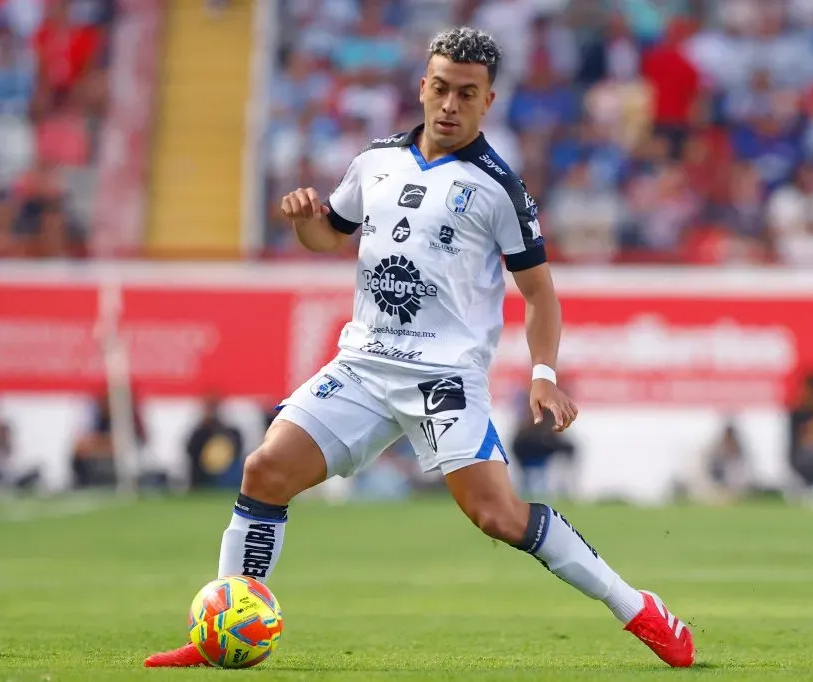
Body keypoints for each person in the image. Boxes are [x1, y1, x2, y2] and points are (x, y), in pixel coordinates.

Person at [144, 28, 693, 669]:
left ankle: (640, 609)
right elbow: (329, 236)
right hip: (363, 365)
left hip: (443, 376)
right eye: (440, 88)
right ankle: (220, 637)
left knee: (499, 517)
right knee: (264, 472)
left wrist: (543, 372)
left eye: (467, 93)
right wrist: (303, 221)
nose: (450, 105)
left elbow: (541, 295)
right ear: (422, 88)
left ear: (489, 101)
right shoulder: (374, 161)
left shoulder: (499, 189)